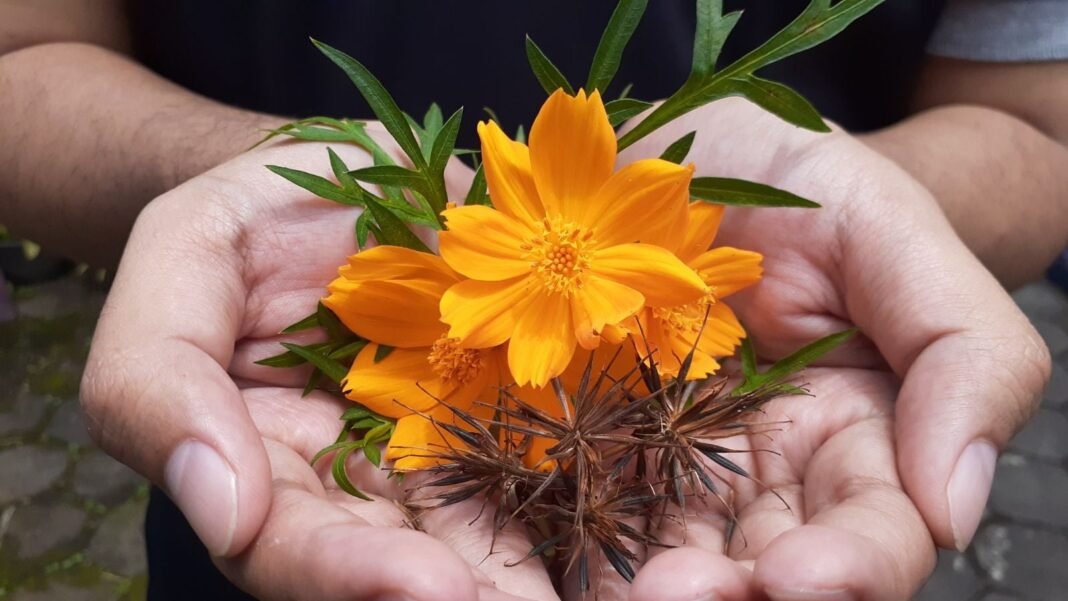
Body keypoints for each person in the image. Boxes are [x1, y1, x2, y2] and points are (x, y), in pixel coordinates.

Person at [1, 1, 1066, 599]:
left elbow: (1041, 129)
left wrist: (845, 220)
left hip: (754, 489)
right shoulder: (477, 302)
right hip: (271, 451)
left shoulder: (626, 300)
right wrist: (273, 186)